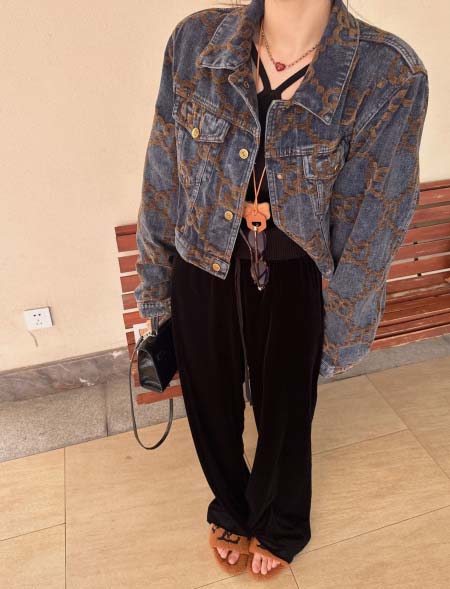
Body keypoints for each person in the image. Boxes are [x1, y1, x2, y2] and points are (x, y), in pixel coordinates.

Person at [135, 0, 429, 578]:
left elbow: (375, 220)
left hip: (297, 276)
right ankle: (231, 504)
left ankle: (283, 518)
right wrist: (156, 286)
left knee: (287, 412)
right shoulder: (195, 41)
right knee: (209, 401)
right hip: (201, 260)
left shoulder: (388, 72)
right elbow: (162, 173)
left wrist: (341, 323)